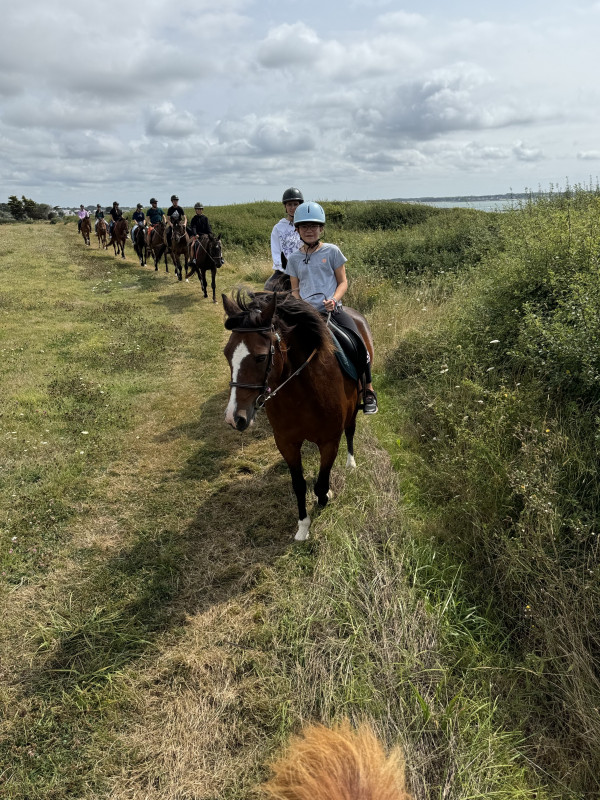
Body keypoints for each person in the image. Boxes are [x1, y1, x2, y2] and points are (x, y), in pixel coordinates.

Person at [286, 201, 378, 414]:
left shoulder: (333, 251)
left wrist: (334, 300)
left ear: (321, 228)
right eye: (304, 226)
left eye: (314, 226)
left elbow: (343, 282)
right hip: (306, 314)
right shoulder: (294, 258)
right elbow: (294, 289)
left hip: (332, 311)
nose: (309, 230)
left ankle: (369, 390)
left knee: (358, 344)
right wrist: (300, 305)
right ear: (297, 229)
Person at [271, 187, 303, 275]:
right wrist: (283, 269)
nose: (292, 207)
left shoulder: (305, 226)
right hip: (284, 271)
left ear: (300, 205)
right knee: (269, 287)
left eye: (295, 204)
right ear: (285, 206)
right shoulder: (278, 228)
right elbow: (276, 251)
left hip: (303, 269)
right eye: (289, 204)